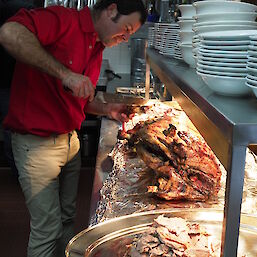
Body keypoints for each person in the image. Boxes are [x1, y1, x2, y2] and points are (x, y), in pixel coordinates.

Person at [0, 0, 147, 256]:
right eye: (126, 29)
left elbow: (79, 99)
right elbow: (9, 33)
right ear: (111, 10)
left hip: (70, 141)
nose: (125, 38)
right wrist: (64, 73)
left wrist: (107, 109)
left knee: (68, 219)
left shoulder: (98, 45)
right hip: (37, 145)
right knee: (47, 228)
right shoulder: (62, 19)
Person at [0, 0, 35, 177]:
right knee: (13, 131)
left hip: (11, 81)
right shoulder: (23, 8)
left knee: (12, 131)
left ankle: (18, 174)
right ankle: (19, 175)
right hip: (11, 81)